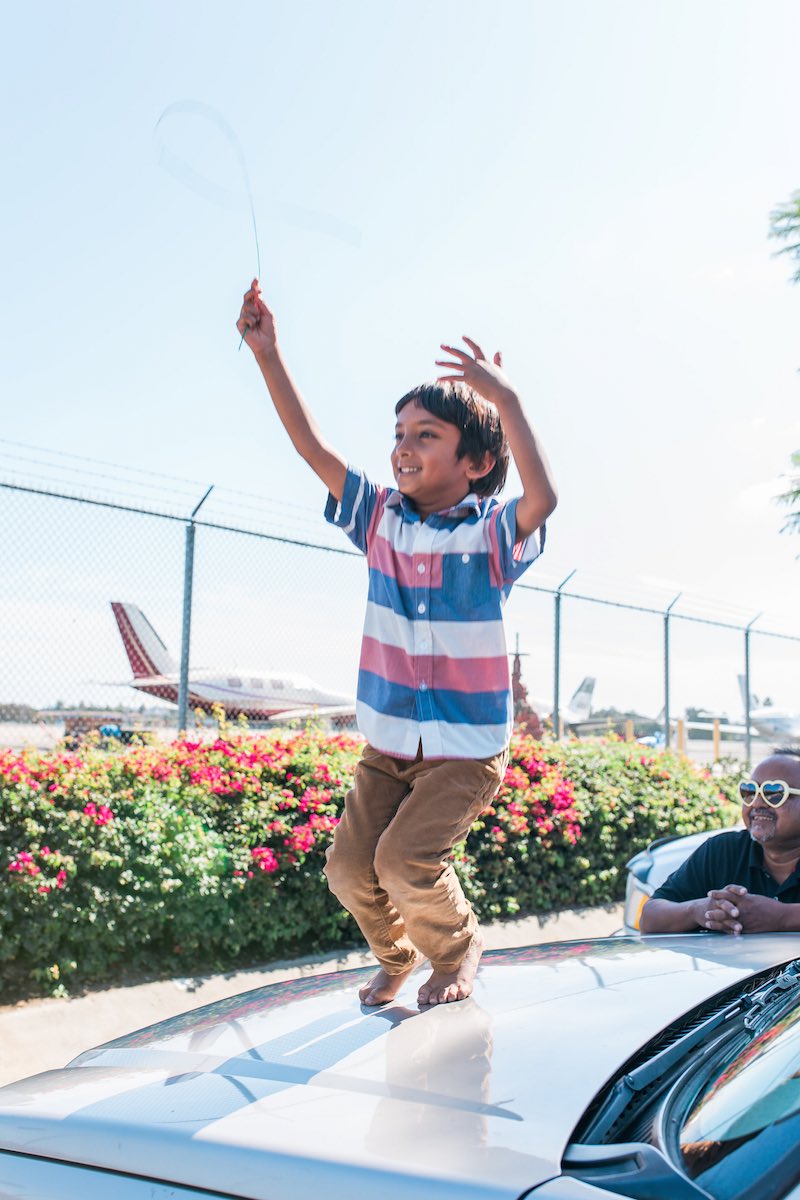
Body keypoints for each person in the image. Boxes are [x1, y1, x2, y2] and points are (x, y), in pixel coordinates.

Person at [236, 279, 557, 1006]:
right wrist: (268, 354)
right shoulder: (380, 520)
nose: (403, 450)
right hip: (389, 743)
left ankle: (457, 949)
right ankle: (398, 951)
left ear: (475, 462)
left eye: (426, 436)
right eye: (399, 436)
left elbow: (543, 499)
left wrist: (506, 401)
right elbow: (312, 447)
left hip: (465, 746)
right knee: (350, 870)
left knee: (406, 859)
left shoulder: (490, 535)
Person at [639, 749, 800, 935]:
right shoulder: (722, 850)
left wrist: (781, 917)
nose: (757, 803)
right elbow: (649, 919)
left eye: (774, 792)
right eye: (750, 791)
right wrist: (699, 910)